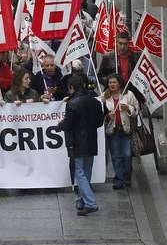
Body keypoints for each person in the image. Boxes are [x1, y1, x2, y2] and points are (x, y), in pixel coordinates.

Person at [57, 73, 104, 216]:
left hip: (77, 141)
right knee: (87, 171)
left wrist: (60, 125)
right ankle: (81, 200)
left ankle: (90, 202)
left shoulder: (71, 104)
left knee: (80, 172)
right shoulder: (95, 102)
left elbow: (68, 124)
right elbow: (99, 122)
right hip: (91, 140)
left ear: (72, 87)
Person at [103, 73, 139, 189]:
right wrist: (108, 116)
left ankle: (127, 175)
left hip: (126, 130)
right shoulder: (104, 96)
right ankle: (119, 178)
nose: (112, 85)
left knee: (127, 155)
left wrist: (128, 108)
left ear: (119, 83)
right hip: (112, 131)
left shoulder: (128, 95)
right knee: (116, 156)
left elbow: (136, 110)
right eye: (110, 83)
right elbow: (99, 113)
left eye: (114, 82)